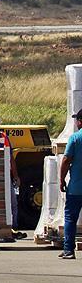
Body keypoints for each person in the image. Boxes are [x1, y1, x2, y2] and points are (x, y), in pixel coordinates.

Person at [59, 109, 82, 259]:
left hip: (76, 188)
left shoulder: (75, 138)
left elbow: (66, 160)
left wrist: (61, 179)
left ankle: (68, 250)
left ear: (80, 121)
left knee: (70, 218)